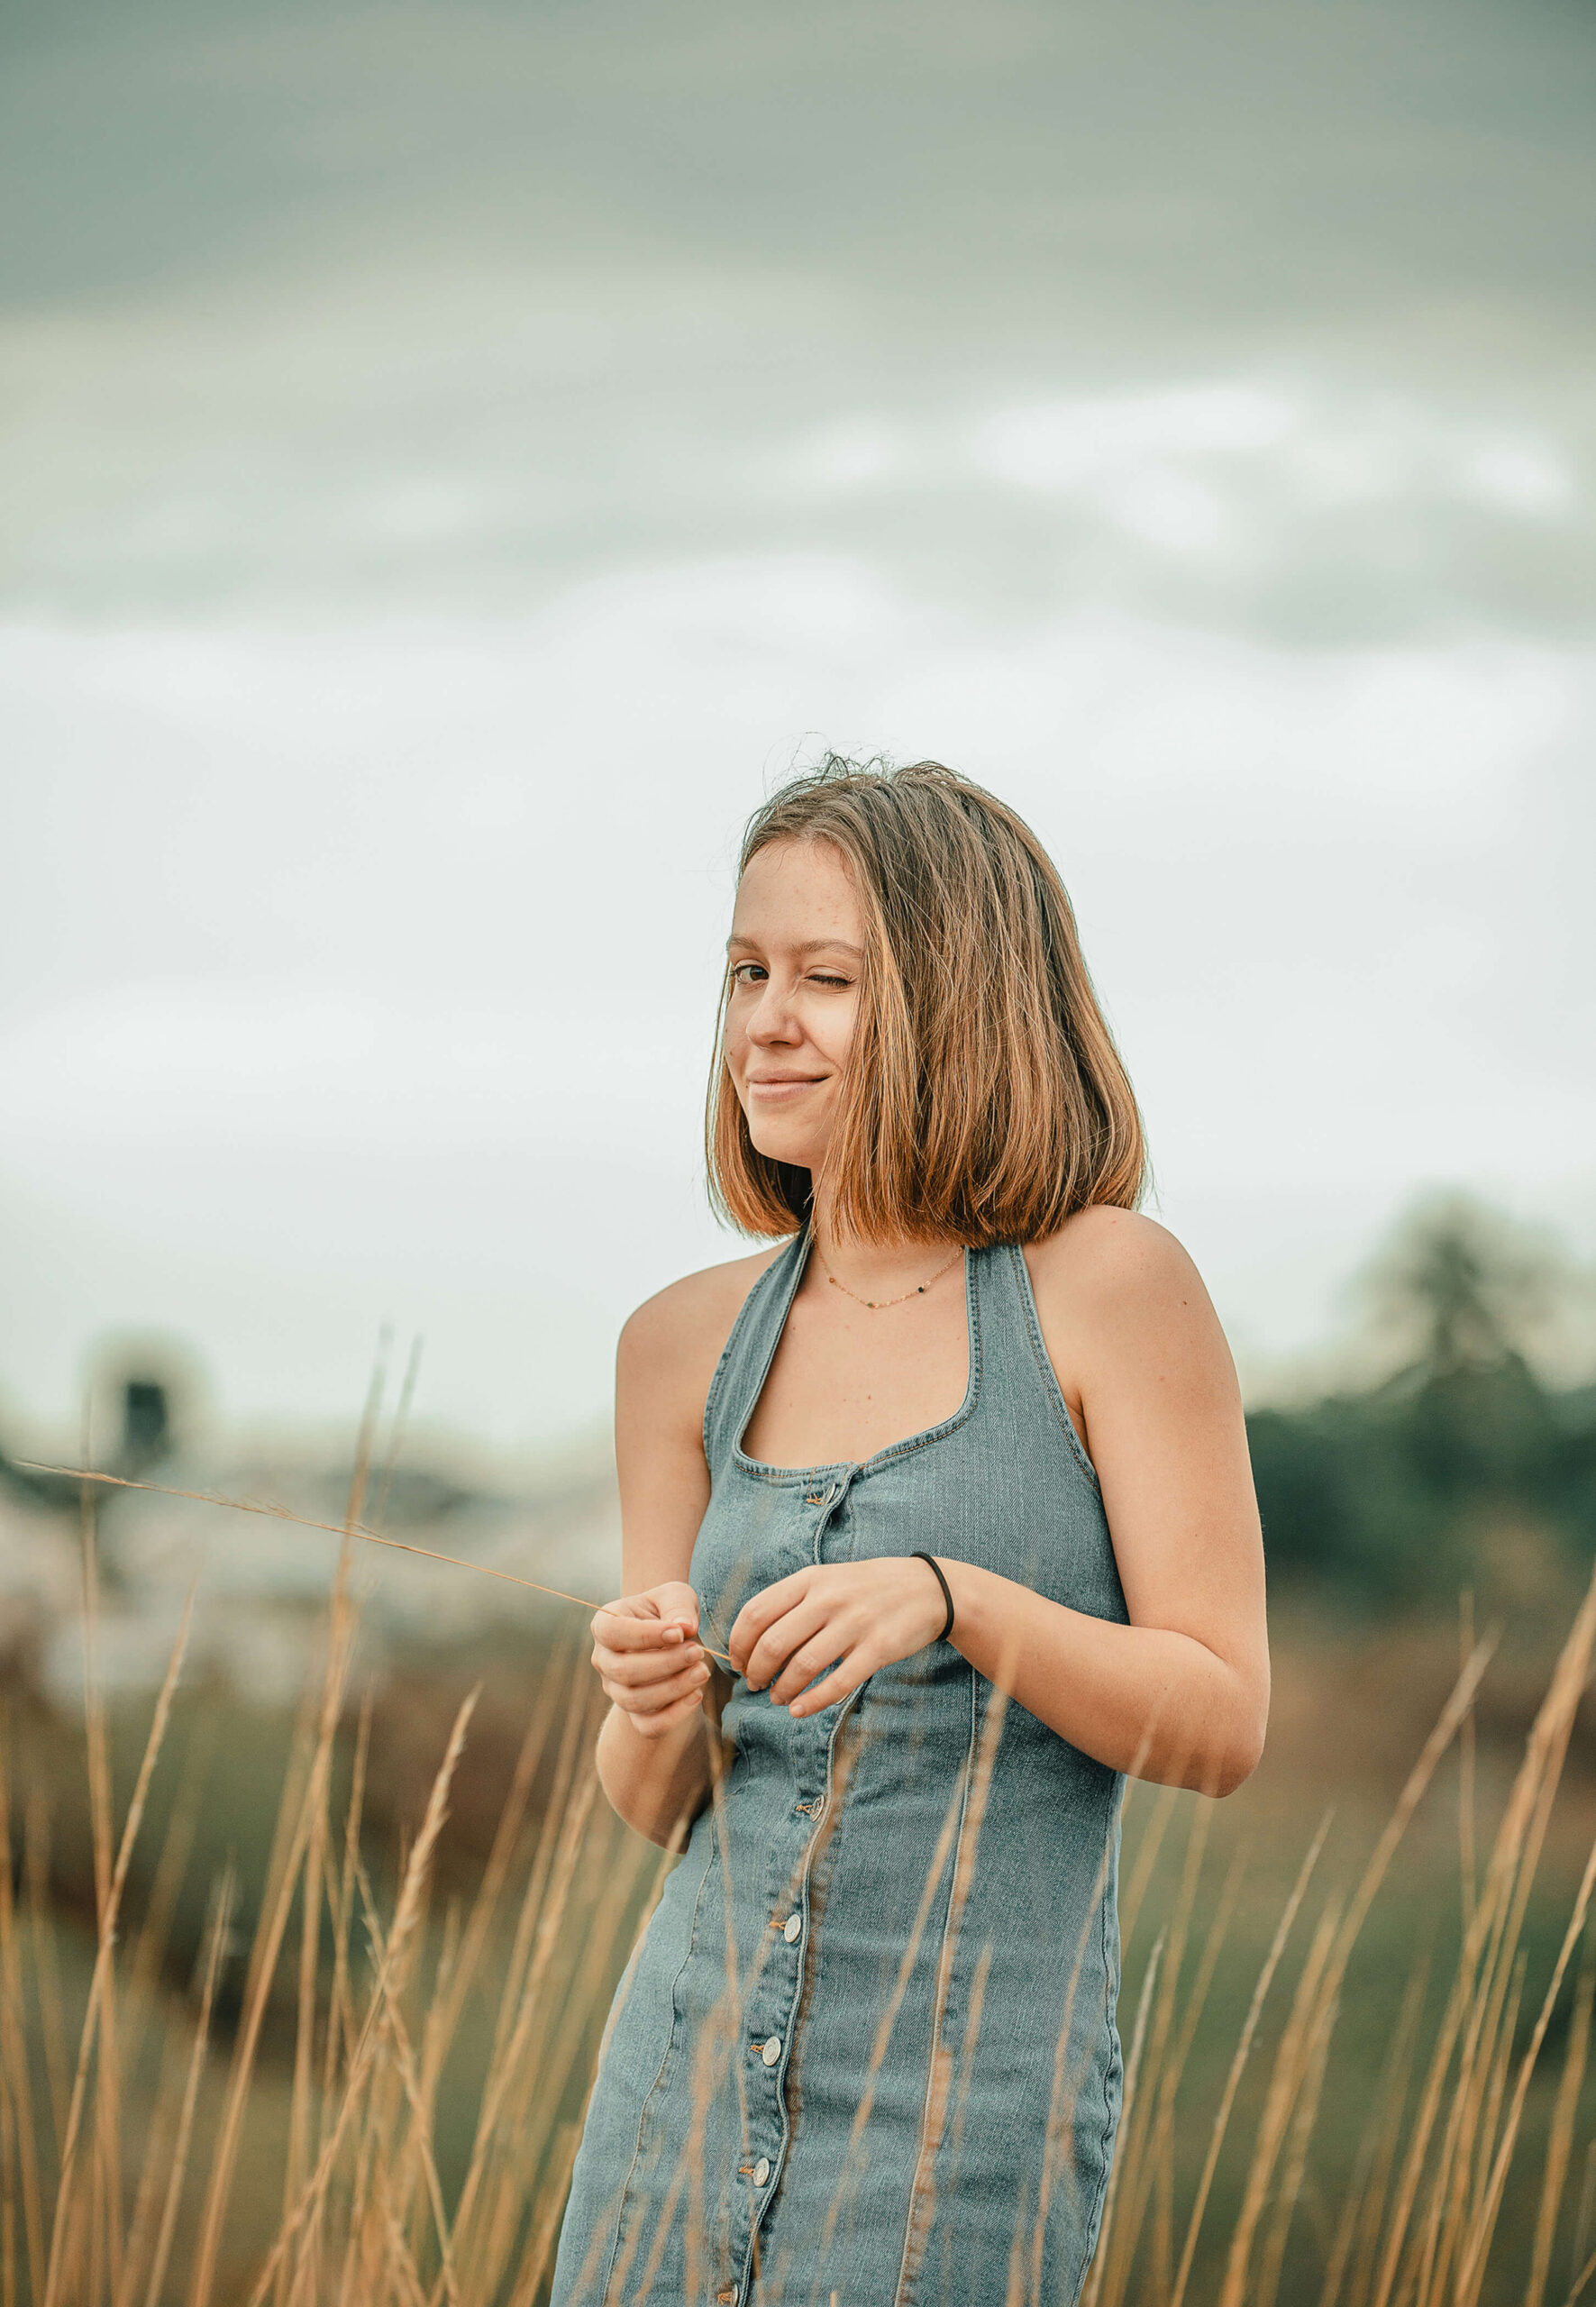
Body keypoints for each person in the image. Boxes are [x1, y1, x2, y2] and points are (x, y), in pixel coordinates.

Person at [550, 759, 1269, 2307]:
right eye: (746, 973)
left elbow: (1221, 1721)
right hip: (667, 2115)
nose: (765, 1022)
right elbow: (656, 1801)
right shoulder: (675, 1344)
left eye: (827, 979)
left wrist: (957, 1599)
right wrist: (648, 1697)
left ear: (957, 1001)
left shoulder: (1108, 1287)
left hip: (958, 2143)